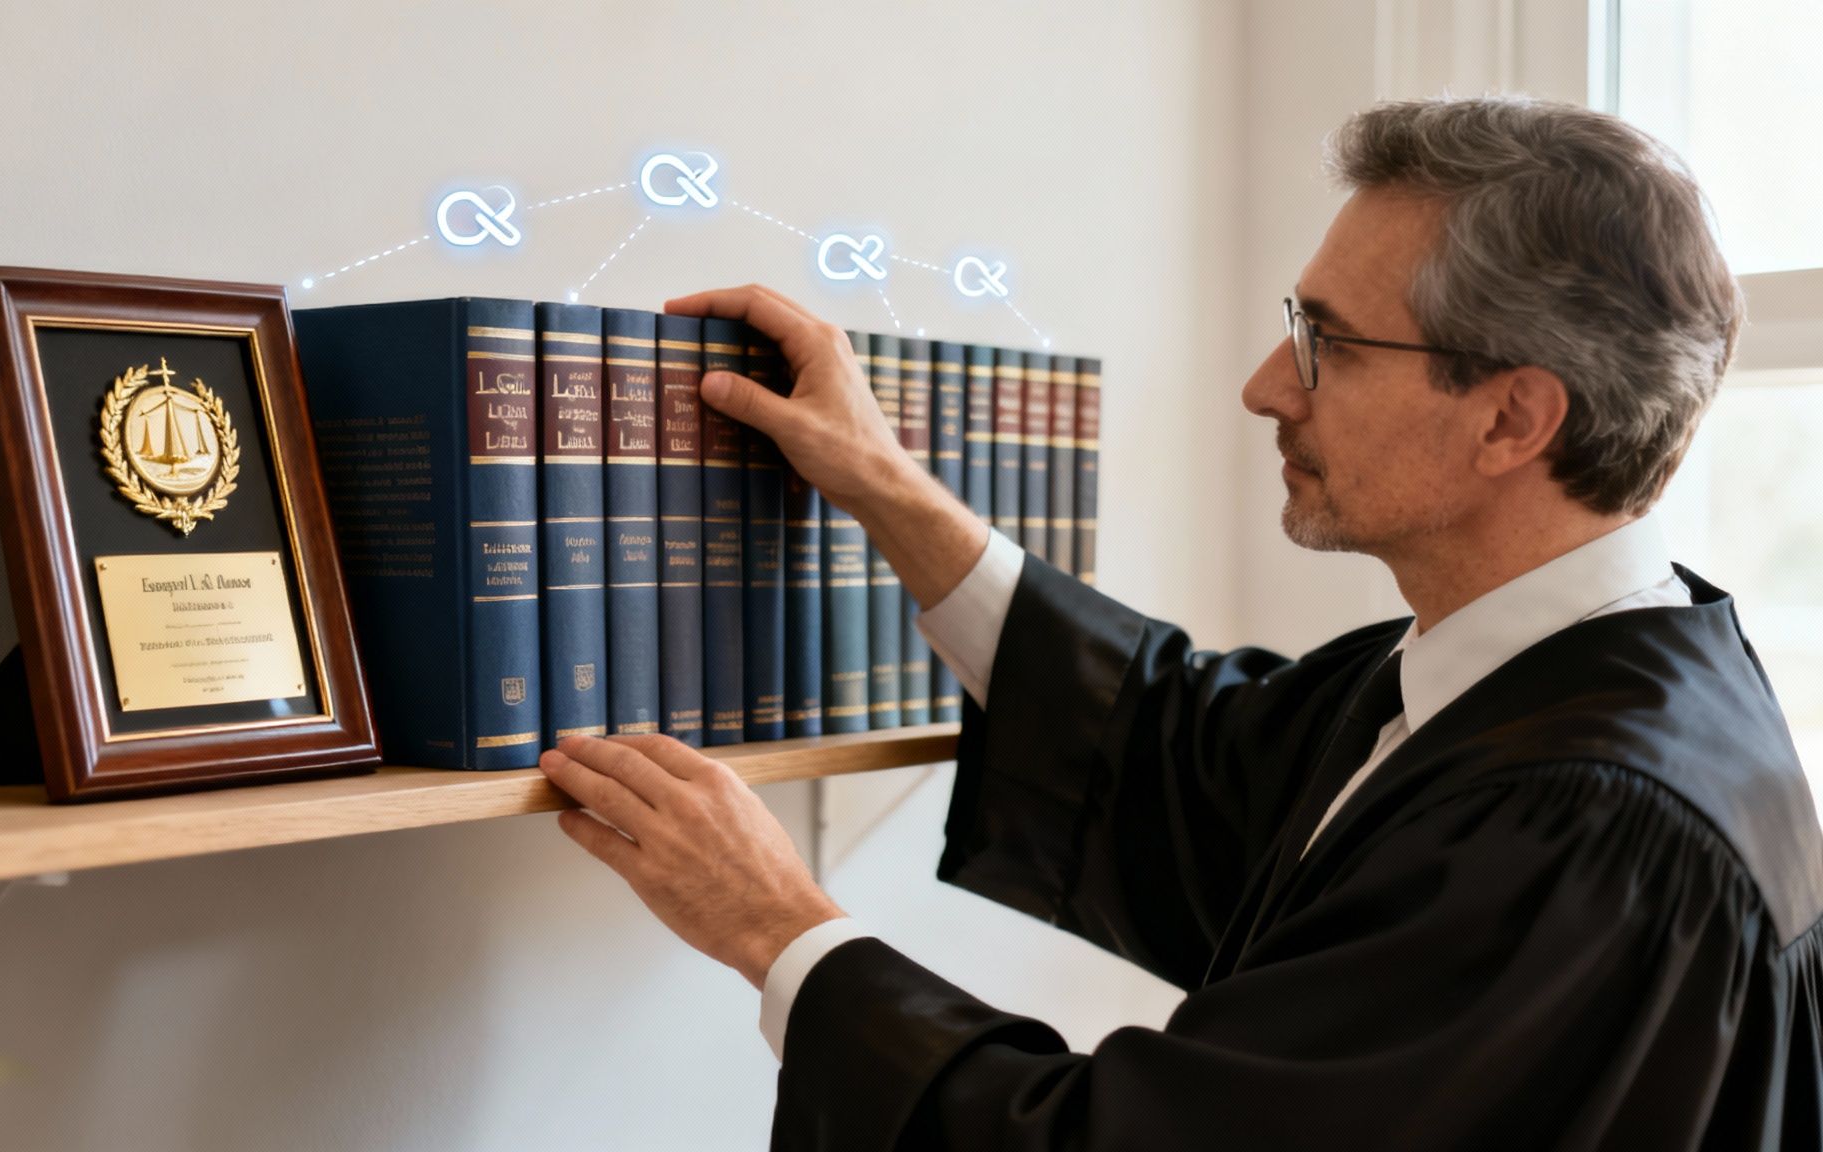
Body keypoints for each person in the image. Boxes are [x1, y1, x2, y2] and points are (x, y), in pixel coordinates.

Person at [536, 96, 1823, 1149]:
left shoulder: (1587, 831)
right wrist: (884, 487)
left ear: (1510, 420)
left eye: (1326, 344)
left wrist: (774, 929)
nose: (1268, 388)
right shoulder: (1560, 672)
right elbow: (1184, 749)